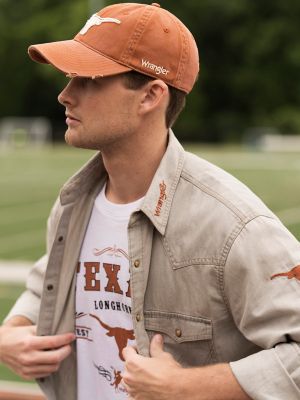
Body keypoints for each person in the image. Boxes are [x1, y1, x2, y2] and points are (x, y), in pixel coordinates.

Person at [0, 2, 299, 400]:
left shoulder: (232, 224)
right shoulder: (74, 204)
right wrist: (11, 334)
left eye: (88, 80)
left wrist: (187, 386)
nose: (65, 95)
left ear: (150, 96)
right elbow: (48, 282)